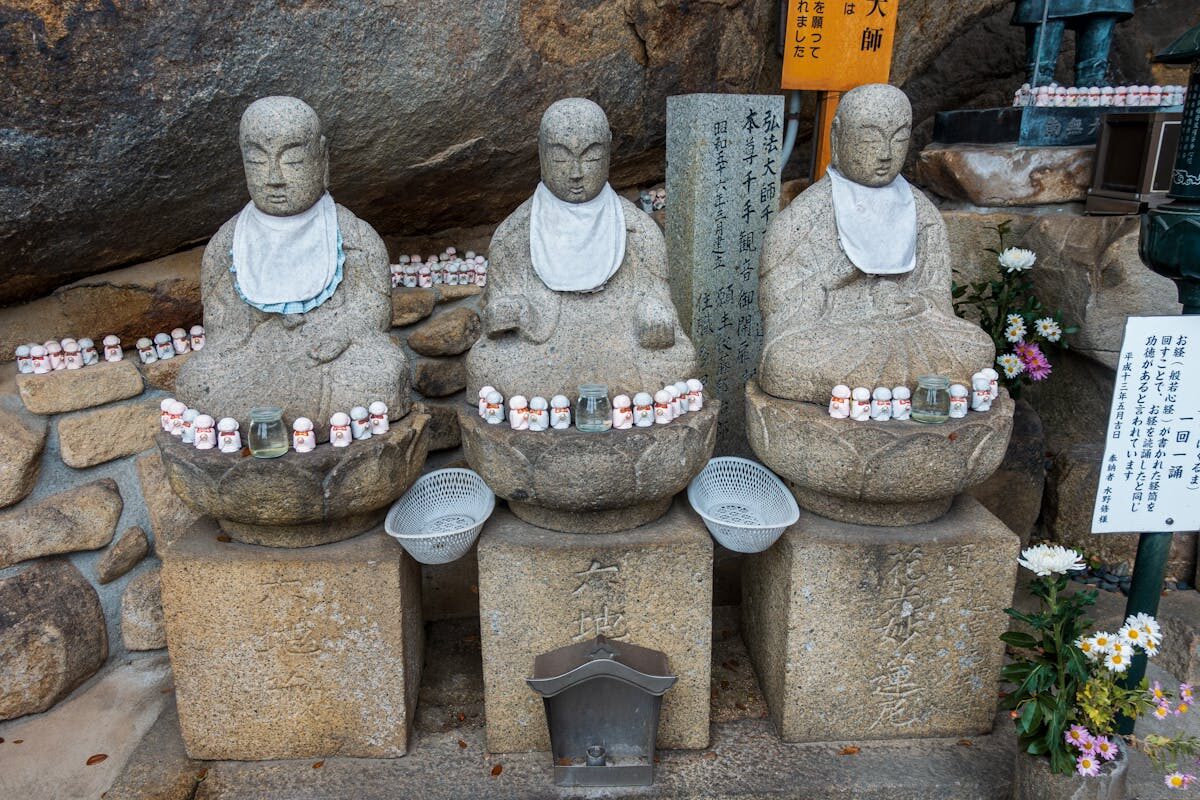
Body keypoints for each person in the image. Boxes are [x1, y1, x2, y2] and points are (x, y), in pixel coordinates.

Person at [176, 97, 408, 440]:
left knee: (383, 369)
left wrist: (340, 331)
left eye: (293, 160)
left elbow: (373, 308)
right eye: (257, 160)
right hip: (256, 357)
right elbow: (220, 326)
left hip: (331, 358)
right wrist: (256, 324)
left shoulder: (353, 234)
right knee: (198, 379)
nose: (275, 178)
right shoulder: (227, 243)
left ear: (322, 158)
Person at [757, 84, 994, 405]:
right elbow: (783, 312)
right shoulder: (807, 215)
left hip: (911, 333)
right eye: (869, 138)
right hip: (836, 337)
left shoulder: (920, 211)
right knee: (786, 362)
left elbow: (936, 296)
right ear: (837, 137)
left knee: (974, 346)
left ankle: (887, 394)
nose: (885, 153)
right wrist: (840, 281)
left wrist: (918, 303)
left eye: (898, 138)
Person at [465, 98, 696, 402]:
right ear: (541, 151)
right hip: (543, 346)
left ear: (609, 151)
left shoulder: (638, 230)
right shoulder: (515, 233)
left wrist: (654, 314)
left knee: (677, 361)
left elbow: (656, 299)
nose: (576, 173)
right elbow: (499, 311)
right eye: (561, 158)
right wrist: (510, 312)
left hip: (618, 342)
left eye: (591, 157)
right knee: (487, 365)